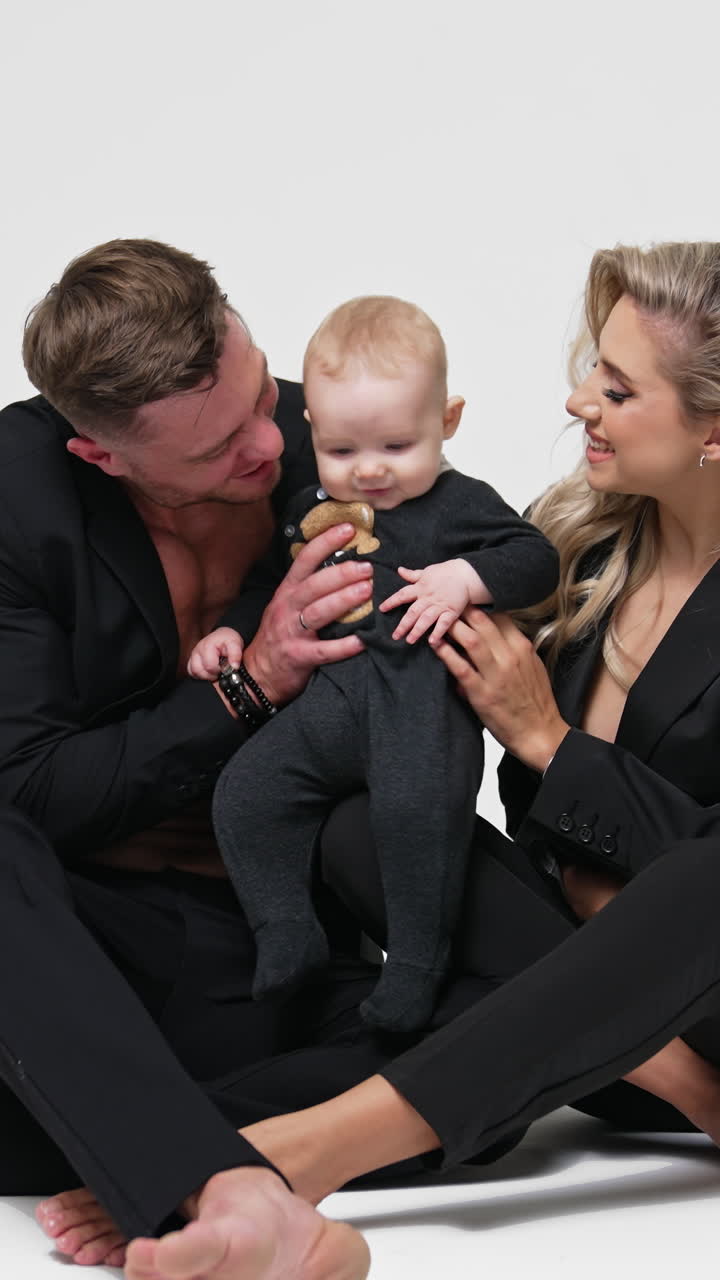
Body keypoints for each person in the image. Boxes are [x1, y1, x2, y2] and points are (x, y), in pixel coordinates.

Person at [38, 239, 720, 1278]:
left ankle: (284, 1152)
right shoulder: (578, 549)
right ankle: (677, 1083)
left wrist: (543, 739)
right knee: (362, 819)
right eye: (593, 366)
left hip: (688, 981)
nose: (579, 398)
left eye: (618, 385)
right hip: (562, 993)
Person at [0, 237, 402, 1278]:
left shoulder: (347, 434)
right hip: (78, 952)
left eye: (263, 390)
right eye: (219, 447)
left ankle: (142, 1142)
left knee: (497, 1021)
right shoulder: (19, 495)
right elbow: (33, 794)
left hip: (273, 956)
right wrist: (250, 682)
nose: (272, 443)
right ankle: (226, 1186)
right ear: (104, 457)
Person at [190, 295, 558, 1032]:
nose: (369, 472)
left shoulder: (459, 504)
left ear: (446, 423)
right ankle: (287, 932)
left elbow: (536, 559)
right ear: (312, 432)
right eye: (343, 450)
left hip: (419, 709)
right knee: (245, 794)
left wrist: (466, 578)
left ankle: (417, 969)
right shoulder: (305, 507)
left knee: (415, 824)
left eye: (396, 447)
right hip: (330, 704)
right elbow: (272, 588)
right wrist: (230, 633)